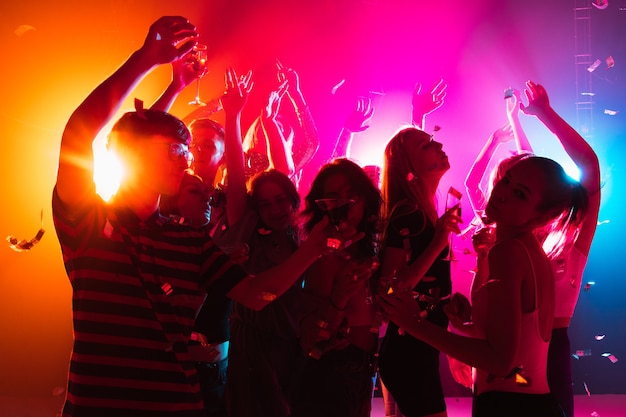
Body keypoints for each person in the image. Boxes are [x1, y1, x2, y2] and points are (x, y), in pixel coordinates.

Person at [52, 16, 327, 416]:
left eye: (188, 152)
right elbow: (78, 133)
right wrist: (144, 60)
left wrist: (314, 248)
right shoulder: (87, 223)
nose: (187, 161)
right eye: (176, 151)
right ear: (132, 153)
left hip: (177, 405)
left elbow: (256, 294)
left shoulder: (190, 240)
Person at [378, 153, 588, 417]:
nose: (502, 193)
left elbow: (500, 361)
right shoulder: (523, 251)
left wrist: (414, 324)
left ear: (542, 217)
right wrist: (463, 325)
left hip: (514, 407)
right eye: (507, 180)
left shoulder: (510, 252)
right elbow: (517, 341)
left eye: (520, 194)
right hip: (526, 403)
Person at [463, 81, 601, 417]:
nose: (507, 191)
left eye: (522, 191)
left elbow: (586, 165)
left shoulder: (566, 246)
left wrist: (543, 113)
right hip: (496, 373)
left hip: (546, 363)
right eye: (507, 183)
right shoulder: (503, 242)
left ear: (547, 209)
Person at [376, 126, 460, 417]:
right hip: (407, 352)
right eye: (427, 145)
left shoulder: (425, 210)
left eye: (434, 139)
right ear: (409, 165)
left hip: (418, 348)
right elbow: (389, 288)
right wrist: (438, 243)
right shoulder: (408, 213)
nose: (438, 145)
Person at [291, 158, 383, 417]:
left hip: (363, 370)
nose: (346, 203)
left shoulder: (366, 250)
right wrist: (338, 300)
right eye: (334, 197)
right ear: (323, 206)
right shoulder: (325, 256)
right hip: (329, 378)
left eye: (352, 194)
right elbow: (313, 343)